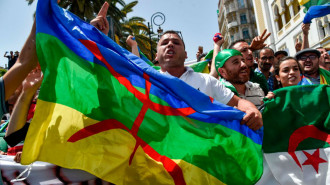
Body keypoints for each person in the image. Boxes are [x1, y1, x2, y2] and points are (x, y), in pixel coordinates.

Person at [154, 30, 262, 130]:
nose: (170, 44)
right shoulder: (147, 83)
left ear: (186, 54)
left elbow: (238, 102)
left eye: (176, 43)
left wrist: (252, 110)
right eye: (164, 43)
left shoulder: (207, 81)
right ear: (156, 56)